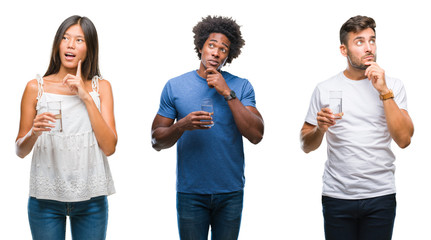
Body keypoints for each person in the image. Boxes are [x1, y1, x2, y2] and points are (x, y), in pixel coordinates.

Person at [300, 15, 414, 240]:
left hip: (380, 195)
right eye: (359, 42)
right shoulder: (325, 88)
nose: (368, 47)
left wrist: (383, 91)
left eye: (372, 40)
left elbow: (404, 139)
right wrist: (320, 129)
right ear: (344, 50)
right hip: (337, 197)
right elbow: (305, 145)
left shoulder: (394, 86)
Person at [151, 15, 264, 240]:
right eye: (211, 45)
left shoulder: (240, 86)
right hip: (190, 193)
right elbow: (156, 140)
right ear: (201, 46)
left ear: (228, 55)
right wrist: (181, 125)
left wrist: (227, 93)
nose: (215, 52)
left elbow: (256, 135)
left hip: (230, 192)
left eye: (223, 49)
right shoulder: (175, 86)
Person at [15, 15, 117, 240]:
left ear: (89, 48)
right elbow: (20, 150)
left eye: (79, 40)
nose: (70, 45)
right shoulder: (36, 88)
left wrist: (86, 97)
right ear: (57, 45)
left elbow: (109, 147)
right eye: (65, 38)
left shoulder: (102, 88)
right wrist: (34, 132)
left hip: (91, 200)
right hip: (45, 201)